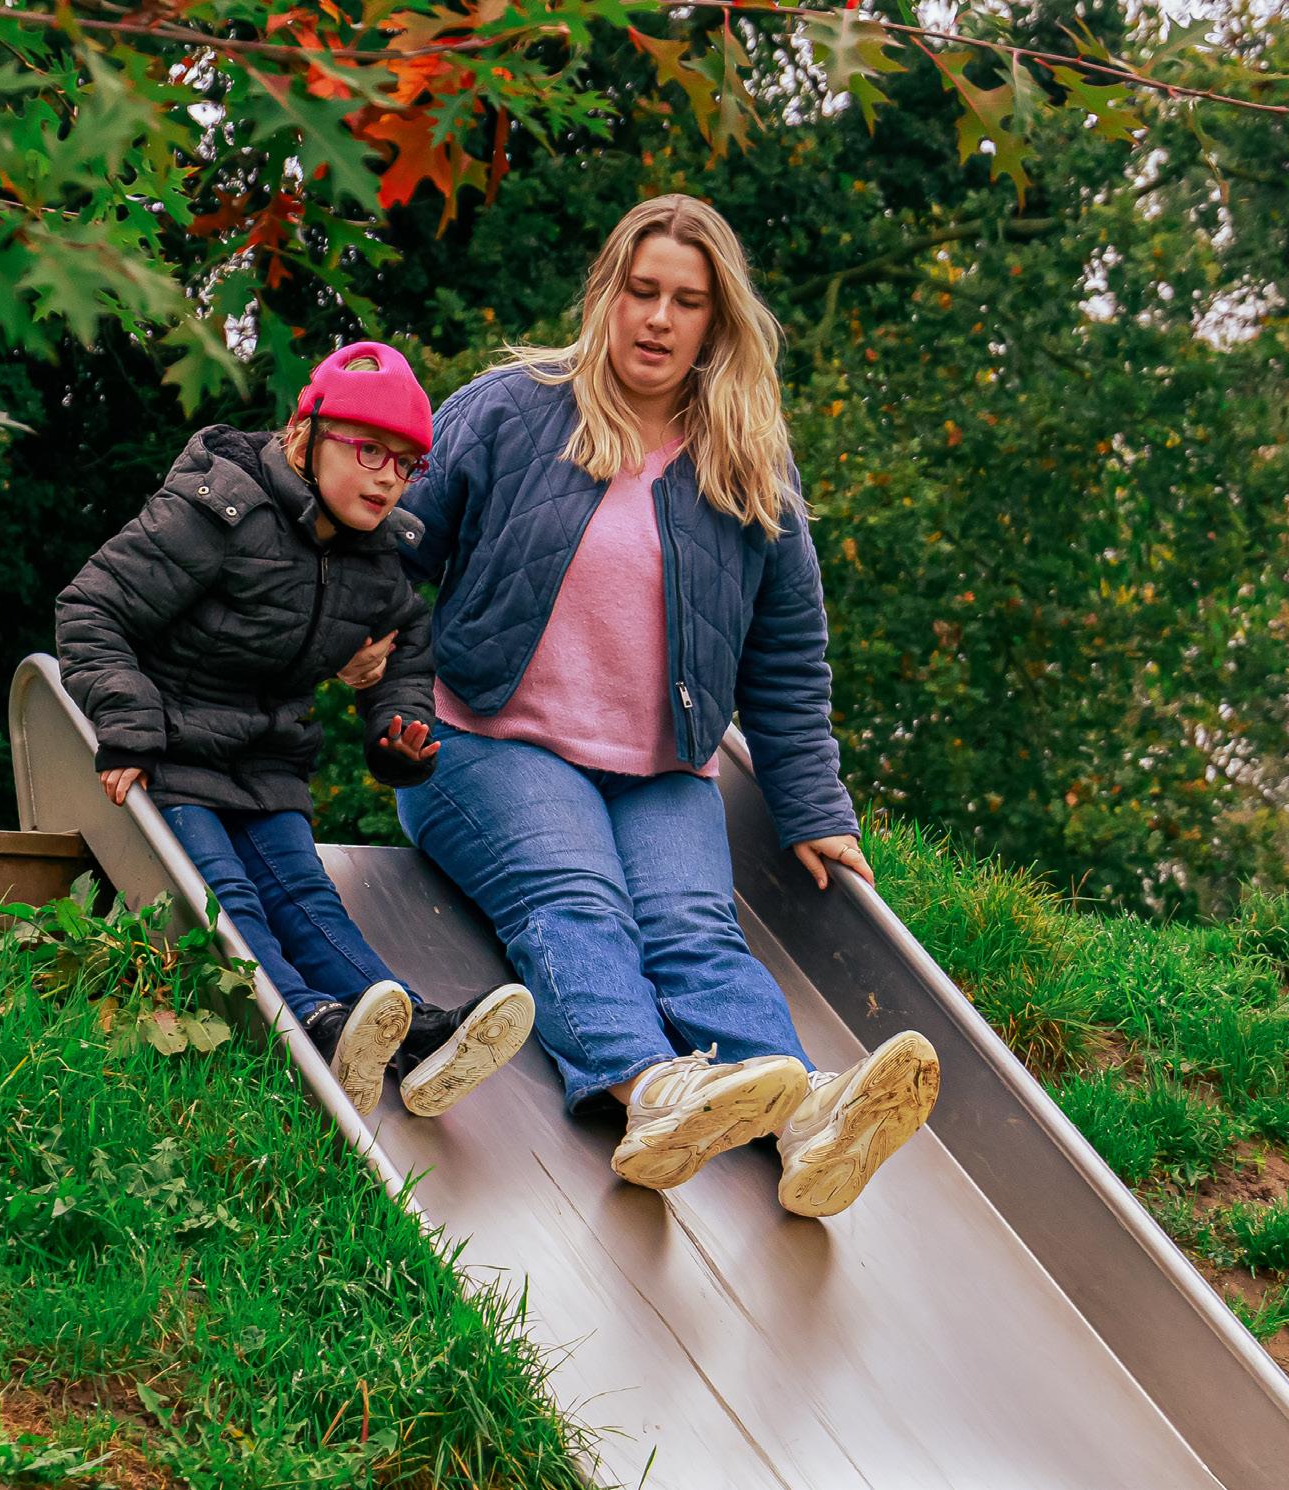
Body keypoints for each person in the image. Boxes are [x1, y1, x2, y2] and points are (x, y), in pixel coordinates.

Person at [379, 195, 940, 1217]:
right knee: (577, 898)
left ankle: (807, 1120)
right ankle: (646, 1090)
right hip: (486, 739)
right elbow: (388, 550)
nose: (658, 318)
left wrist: (814, 807)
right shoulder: (510, 411)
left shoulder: (747, 458)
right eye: (641, 292)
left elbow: (786, 655)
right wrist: (376, 674)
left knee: (695, 933)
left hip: (658, 766)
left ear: (716, 323)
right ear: (606, 293)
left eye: (687, 301)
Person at [55, 342, 532, 1120]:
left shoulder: (377, 554)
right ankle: (312, 1018)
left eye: (406, 463)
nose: (388, 476)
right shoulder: (220, 509)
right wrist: (130, 725)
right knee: (227, 891)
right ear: (305, 434)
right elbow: (91, 608)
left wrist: (398, 729)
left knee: (309, 897)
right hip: (170, 749)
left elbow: (408, 647)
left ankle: (413, 1031)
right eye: (369, 450)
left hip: (267, 761)